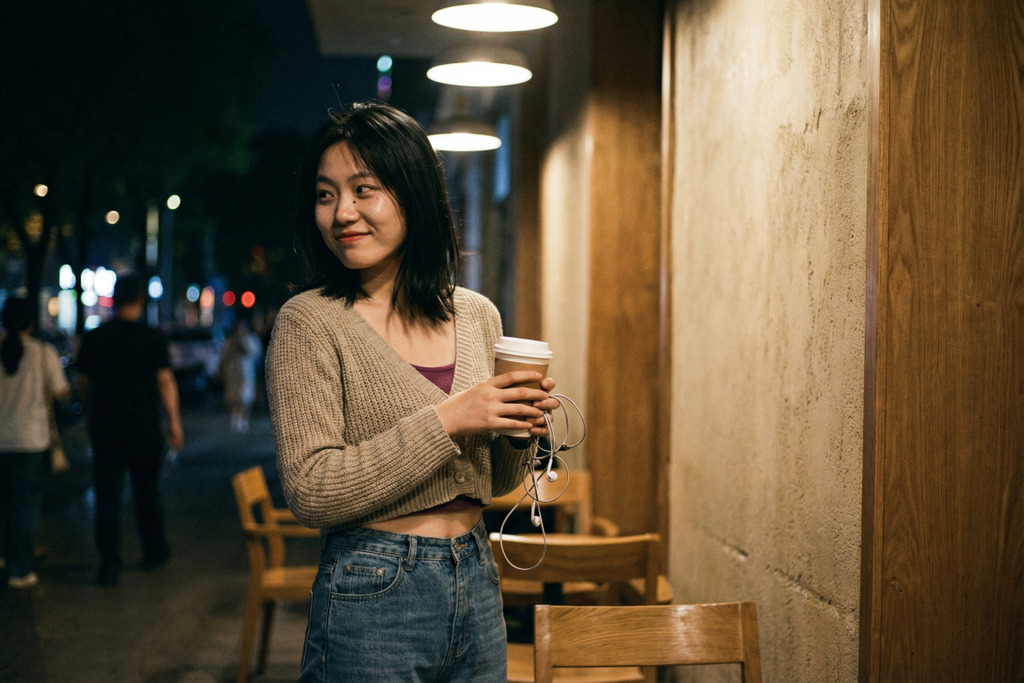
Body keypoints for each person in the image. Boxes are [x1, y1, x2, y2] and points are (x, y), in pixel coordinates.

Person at [265, 102, 559, 682]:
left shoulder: (476, 315)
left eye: (363, 190)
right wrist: (447, 421)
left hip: (476, 574)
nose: (342, 212)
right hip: (372, 586)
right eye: (326, 195)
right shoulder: (310, 321)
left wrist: (519, 430)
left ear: (413, 194)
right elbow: (311, 490)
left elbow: (492, 481)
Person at [76, 272, 184, 585]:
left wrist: (90, 409)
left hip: (106, 428)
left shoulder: (96, 337)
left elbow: (84, 381)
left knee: (107, 496)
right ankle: (154, 551)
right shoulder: (151, 337)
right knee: (146, 491)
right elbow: (164, 380)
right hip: (143, 428)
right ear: (139, 300)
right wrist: (174, 423)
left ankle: (109, 562)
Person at [0, 297, 71, 589]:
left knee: (4, 503)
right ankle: (21, 570)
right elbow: (60, 392)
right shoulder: (43, 353)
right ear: (31, 322)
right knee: (26, 507)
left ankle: (5, 556)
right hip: (31, 440)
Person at [218, 317, 262, 432]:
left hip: (247, 373)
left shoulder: (251, 339)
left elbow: (253, 353)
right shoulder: (230, 341)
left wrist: (243, 341)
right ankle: (234, 417)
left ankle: (243, 417)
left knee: (245, 397)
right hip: (233, 373)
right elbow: (224, 356)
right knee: (232, 396)